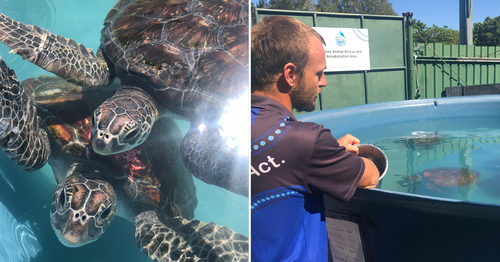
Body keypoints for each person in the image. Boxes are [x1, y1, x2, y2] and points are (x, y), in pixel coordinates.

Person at [250, 16, 380, 261]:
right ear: (290, 74)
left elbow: (279, 163)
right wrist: (326, 151)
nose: (324, 82)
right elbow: (370, 175)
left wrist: (324, 153)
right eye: (318, 73)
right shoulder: (306, 140)